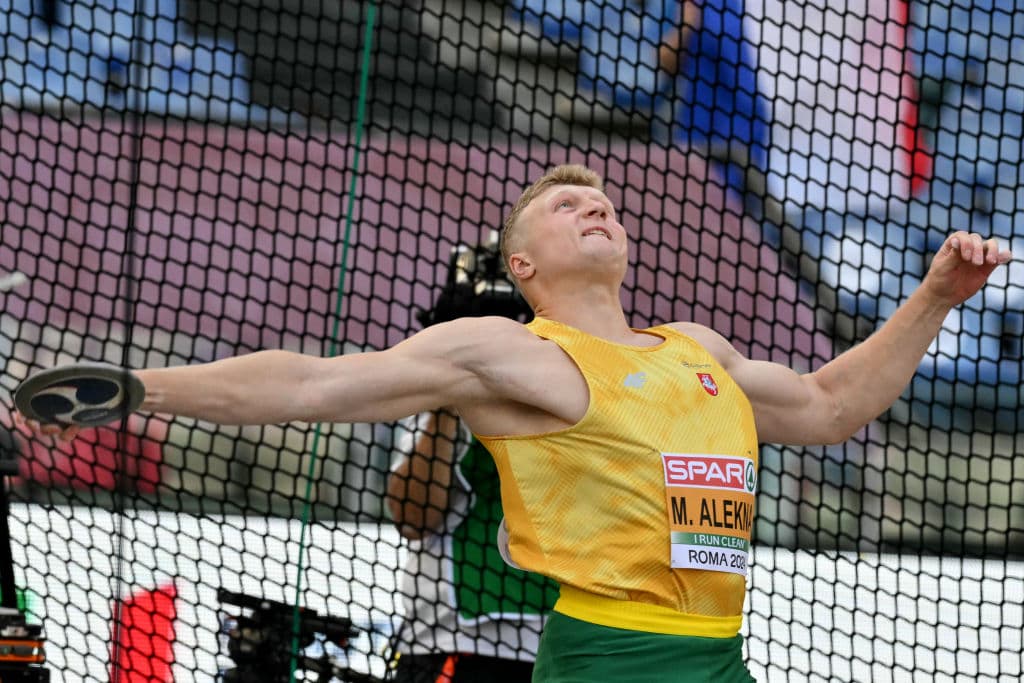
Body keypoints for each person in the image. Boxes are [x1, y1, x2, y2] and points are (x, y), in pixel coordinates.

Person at [18, 164, 1012, 681]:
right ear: (521, 263)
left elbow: (833, 406)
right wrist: (142, 386)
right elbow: (317, 383)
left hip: (718, 652)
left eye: (604, 203)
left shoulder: (696, 349)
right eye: (566, 205)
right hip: (608, 656)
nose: (595, 207)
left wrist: (932, 296)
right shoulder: (508, 350)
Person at [385, 256, 559, 682]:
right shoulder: (434, 394)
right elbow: (412, 518)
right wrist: (453, 377)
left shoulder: (578, 384)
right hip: (454, 643)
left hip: (561, 647)